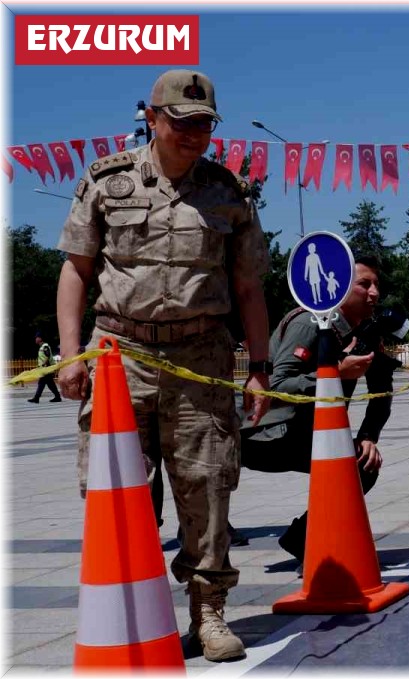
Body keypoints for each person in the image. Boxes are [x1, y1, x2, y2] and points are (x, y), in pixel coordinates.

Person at [54, 69, 270, 662]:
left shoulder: (229, 194)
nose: (195, 134)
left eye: (204, 124)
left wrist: (259, 367)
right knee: (117, 493)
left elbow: (249, 288)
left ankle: (210, 614)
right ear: (152, 119)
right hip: (119, 356)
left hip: (200, 358)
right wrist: (72, 356)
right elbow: (76, 269)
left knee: (208, 487)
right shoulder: (106, 180)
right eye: (183, 123)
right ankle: (131, 611)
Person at [239, 255, 392, 562]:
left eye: (377, 285)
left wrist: (367, 436)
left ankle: (303, 540)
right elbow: (276, 385)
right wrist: (335, 371)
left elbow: (382, 392)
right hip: (267, 434)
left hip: (306, 434)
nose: (374, 293)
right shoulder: (310, 322)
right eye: (364, 284)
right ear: (339, 287)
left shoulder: (364, 333)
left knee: (363, 463)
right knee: (352, 466)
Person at [28, 333, 62, 403]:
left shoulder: (45, 346)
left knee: (41, 383)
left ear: (40, 338)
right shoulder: (41, 347)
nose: (35, 339)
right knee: (50, 384)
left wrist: (44, 365)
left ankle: (36, 398)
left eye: (36, 337)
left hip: (46, 368)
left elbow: (48, 356)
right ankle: (57, 397)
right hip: (45, 368)